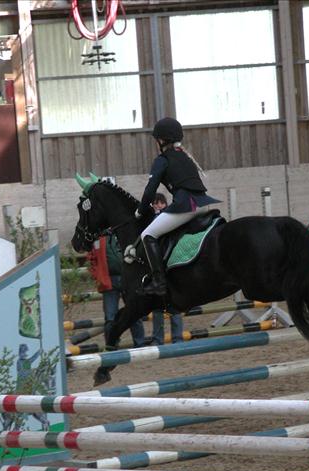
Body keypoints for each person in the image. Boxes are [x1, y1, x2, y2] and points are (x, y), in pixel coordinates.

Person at [135, 117, 220, 296]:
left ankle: (159, 282)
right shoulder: (185, 156)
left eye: (156, 139)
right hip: (203, 204)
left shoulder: (162, 160)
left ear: (162, 140)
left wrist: (140, 211)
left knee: (147, 234)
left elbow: (150, 191)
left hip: (186, 206)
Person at [88, 220, 147, 348]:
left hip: (128, 279)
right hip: (108, 281)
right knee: (110, 317)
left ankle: (140, 344)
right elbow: (91, 258)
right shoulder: (98, 236)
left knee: (134, 313)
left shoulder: (125, 231)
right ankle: (111, 346)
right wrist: (97, 276)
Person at [150, 193, 184, 344]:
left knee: (173, 305)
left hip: (169, 266)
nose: (158, 206)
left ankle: (176, 337)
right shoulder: (152, 219)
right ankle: (160, 338)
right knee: (158, 306)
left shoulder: (170, 218)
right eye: (155, 203)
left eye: (160, 203)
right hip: (159, 267)